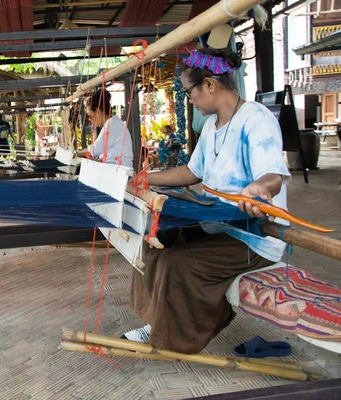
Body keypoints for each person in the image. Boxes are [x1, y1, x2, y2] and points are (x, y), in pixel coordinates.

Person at [123, 47, 291, 354]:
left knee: (177, 263)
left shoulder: (256, 120)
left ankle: (171, 336)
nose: (190, 100)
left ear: (210, 85)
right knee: (154, 243)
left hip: (254, 237)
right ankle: (157, 322)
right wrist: (141, 179)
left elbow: (273, 175)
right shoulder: (212, 128)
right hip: (218, 225)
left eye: (189, 92)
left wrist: (258, 188)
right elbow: (191, 172)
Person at [77, 89, 133, 168]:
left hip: (120, 173)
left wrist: (75, 153)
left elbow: (95, 149)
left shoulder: (113, 124)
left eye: (90, 115)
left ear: (98, 112)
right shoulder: (111, 123)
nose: (90, 119)